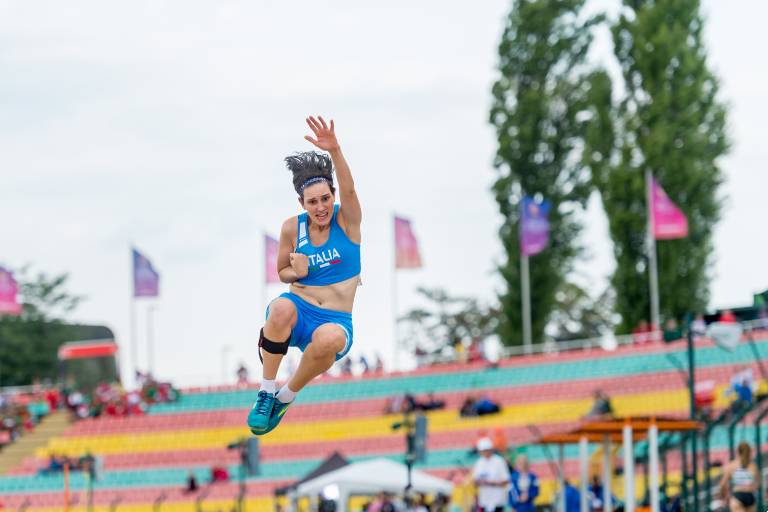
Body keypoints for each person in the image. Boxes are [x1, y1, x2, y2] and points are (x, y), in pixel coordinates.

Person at [247, 116, 362, 435]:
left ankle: (285, 397)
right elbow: (282, 272)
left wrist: (335, 150)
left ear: (333, 196)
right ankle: (266, 391)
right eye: (313, 202)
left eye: (326, 198)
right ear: (302, 203)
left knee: (331, 340)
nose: (321, 207)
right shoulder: (291, 228)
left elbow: (351, 192)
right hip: (298, 309)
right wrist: (294, 272)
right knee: (280, 307)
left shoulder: (347, 222)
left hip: (334, 319)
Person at [472, 437, 511, 512]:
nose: (484, 452)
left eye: (486, 450)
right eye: (482, 451)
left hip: (497, 499)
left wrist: (492, 483)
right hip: (484, 499)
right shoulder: (479, 462)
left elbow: (506, 480)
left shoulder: (499, 461)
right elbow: (475, 480)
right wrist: (479, 482)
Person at [719, 441, 758, 512]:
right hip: (750, 495)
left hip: (738, 495)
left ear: (738, 452)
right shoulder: (753, 466)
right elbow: (757, 484)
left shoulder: (732, 465)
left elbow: (722, 484)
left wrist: (723, 496)